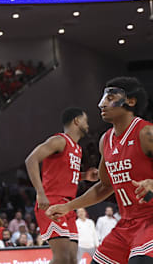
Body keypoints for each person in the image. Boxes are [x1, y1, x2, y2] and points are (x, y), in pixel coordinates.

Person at [47, 77, 153, 264]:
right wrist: (68, 206)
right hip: (126, 224)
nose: (101, 104)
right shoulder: (106, 140)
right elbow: (104, 187)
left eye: (110, 98)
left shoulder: (146, 133)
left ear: (130, 101)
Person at [25, 107, 88, 264]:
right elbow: (31, 160)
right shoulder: (59, 140)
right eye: (86, 121)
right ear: (77, 121)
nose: (88, 125)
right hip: (52, 202)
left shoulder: (78, 149)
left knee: (73, 259)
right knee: (62, 258)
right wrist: (40, 193)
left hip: (68, 206)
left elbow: (64, 175)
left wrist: (84, 176)